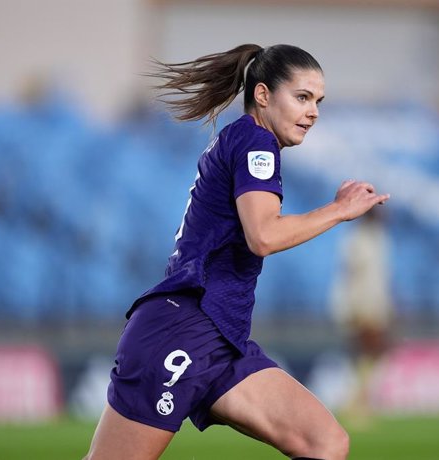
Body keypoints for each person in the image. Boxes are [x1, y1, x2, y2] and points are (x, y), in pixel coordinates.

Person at [83, 43, 390, 460]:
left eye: (317, 101)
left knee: (325, 442)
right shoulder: (255, 141)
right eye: (301, 97)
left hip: (222, 338)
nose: (313, 111)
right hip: (184, 330)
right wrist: (338, 211)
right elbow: (262, 236)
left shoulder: (246, 140)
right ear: (262, 95)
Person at [330, 207, 395, 427]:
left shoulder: (378, 237)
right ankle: (357, 403)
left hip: (375, 303)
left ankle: (358, 400)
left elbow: (381, 278)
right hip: (362, 303)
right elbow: (351, 275)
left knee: (371, 352)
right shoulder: (358, 239)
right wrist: (351, 306)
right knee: (368, 350)